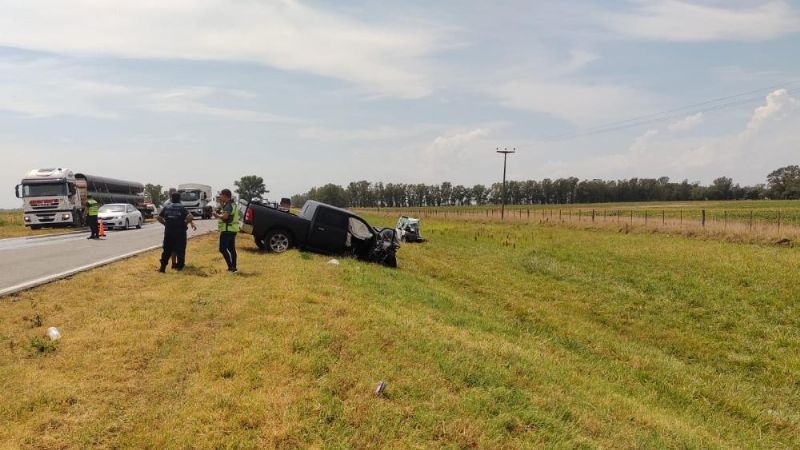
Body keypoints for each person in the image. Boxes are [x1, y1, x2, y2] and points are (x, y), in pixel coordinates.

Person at [157, 192, 196, 272]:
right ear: (179, 199)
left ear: (171, 199)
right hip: (180, 232)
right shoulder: (182, 208)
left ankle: (162, 268)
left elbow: (158, 218)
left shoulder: (167, 207)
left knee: (167, 250)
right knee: (180, 250)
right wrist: (185, 223)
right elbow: (190, 216)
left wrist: (165, 224)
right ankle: (180, 267)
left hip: (169, 232)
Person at [213, 189, 239, 273]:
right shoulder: (232, 204)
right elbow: (226, 213)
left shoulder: (228, 205)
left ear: (225, 196)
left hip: (227, 230)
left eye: (221, 195)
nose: (220, 197)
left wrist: (216, 215)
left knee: (222, 249)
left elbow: (225, 217)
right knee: (231, 249)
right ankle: (234, 267)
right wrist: (221, 205)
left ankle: (231, 267)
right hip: (232, 229)